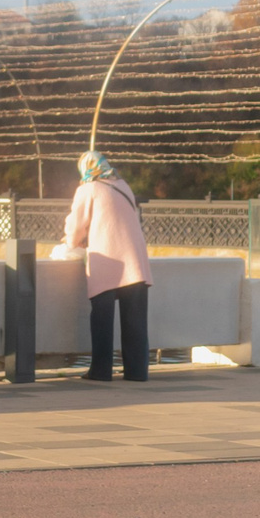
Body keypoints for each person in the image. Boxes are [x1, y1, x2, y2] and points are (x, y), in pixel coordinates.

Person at [60, 149, 152, 382]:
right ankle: (137, 371)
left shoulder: (87, 189)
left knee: (102, 320)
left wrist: (72, 241)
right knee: (136, 322)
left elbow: (74, 227)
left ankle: (101, 371)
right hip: (135, 262)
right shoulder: (123, 186)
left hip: (108, 262)